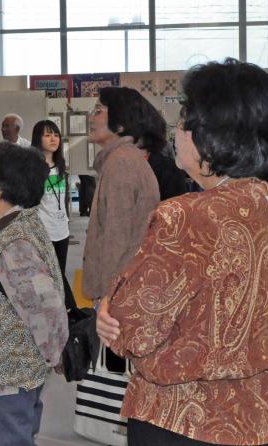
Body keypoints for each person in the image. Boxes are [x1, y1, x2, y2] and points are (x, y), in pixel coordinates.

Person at [97, 59, 268, 445]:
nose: (176, 132)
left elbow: (133, 330)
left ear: (212, 135)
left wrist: (109, 310)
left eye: (183, 121)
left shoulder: (185, 217)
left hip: (187, 421)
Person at [0, 141, 69, 446]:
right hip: (16, 372)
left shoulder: (14, 243)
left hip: (11, 375)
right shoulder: (16, 227)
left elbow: (45, 309)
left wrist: (55, 356)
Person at [82, 87, 161, 370]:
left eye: (99, 111)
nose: (92, 118)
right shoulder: (122, 160)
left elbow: (118, 242)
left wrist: (107, 302)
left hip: (118, 305)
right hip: (124, 297)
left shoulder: (121, 165)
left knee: (114, 389)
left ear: (121, 123)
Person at [31, 119, 75, 309]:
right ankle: (71, 313)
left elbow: (62, 199)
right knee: (48, 278)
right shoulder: (32, 168)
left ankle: (63, 315)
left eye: (56, 134)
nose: (53, 139)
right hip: (43, 232)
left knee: (59, 275)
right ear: (38, 139)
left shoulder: (61, 166)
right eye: (47, 135)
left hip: (61, 231)